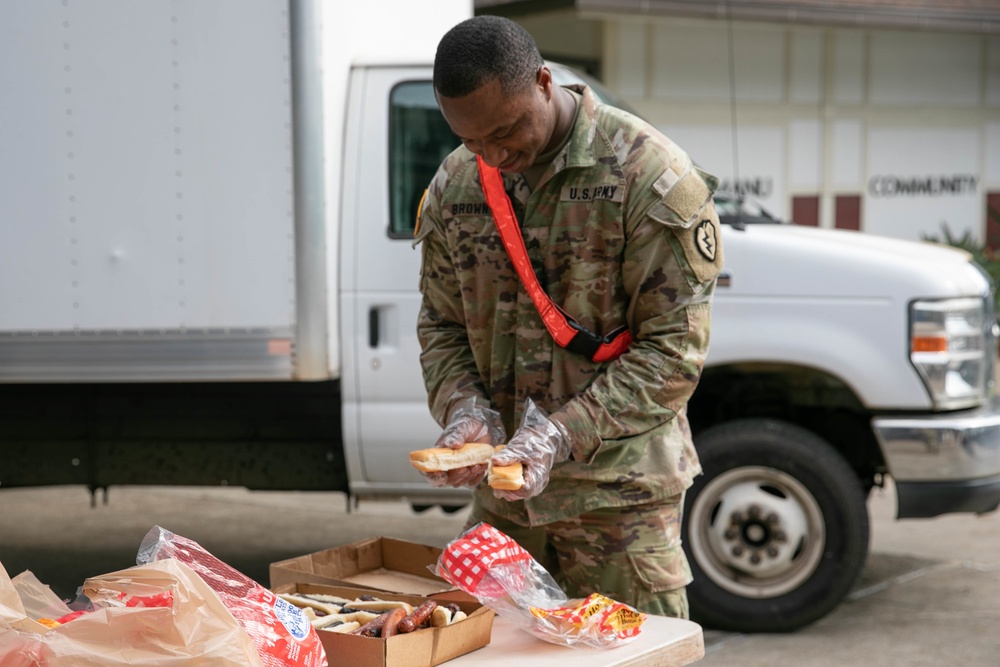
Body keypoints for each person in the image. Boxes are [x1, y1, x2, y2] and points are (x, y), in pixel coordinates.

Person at [413, 14, 723, 619]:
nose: (495, 155)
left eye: (506, 130)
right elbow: (442, 326)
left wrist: (560, 434)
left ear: (545, 82)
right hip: (507, 506)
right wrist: (464, 409)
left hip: (619, 505)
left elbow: (673, 351)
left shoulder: (646, 175)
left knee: (637, 658)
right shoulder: (457, 183)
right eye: (475, 141)